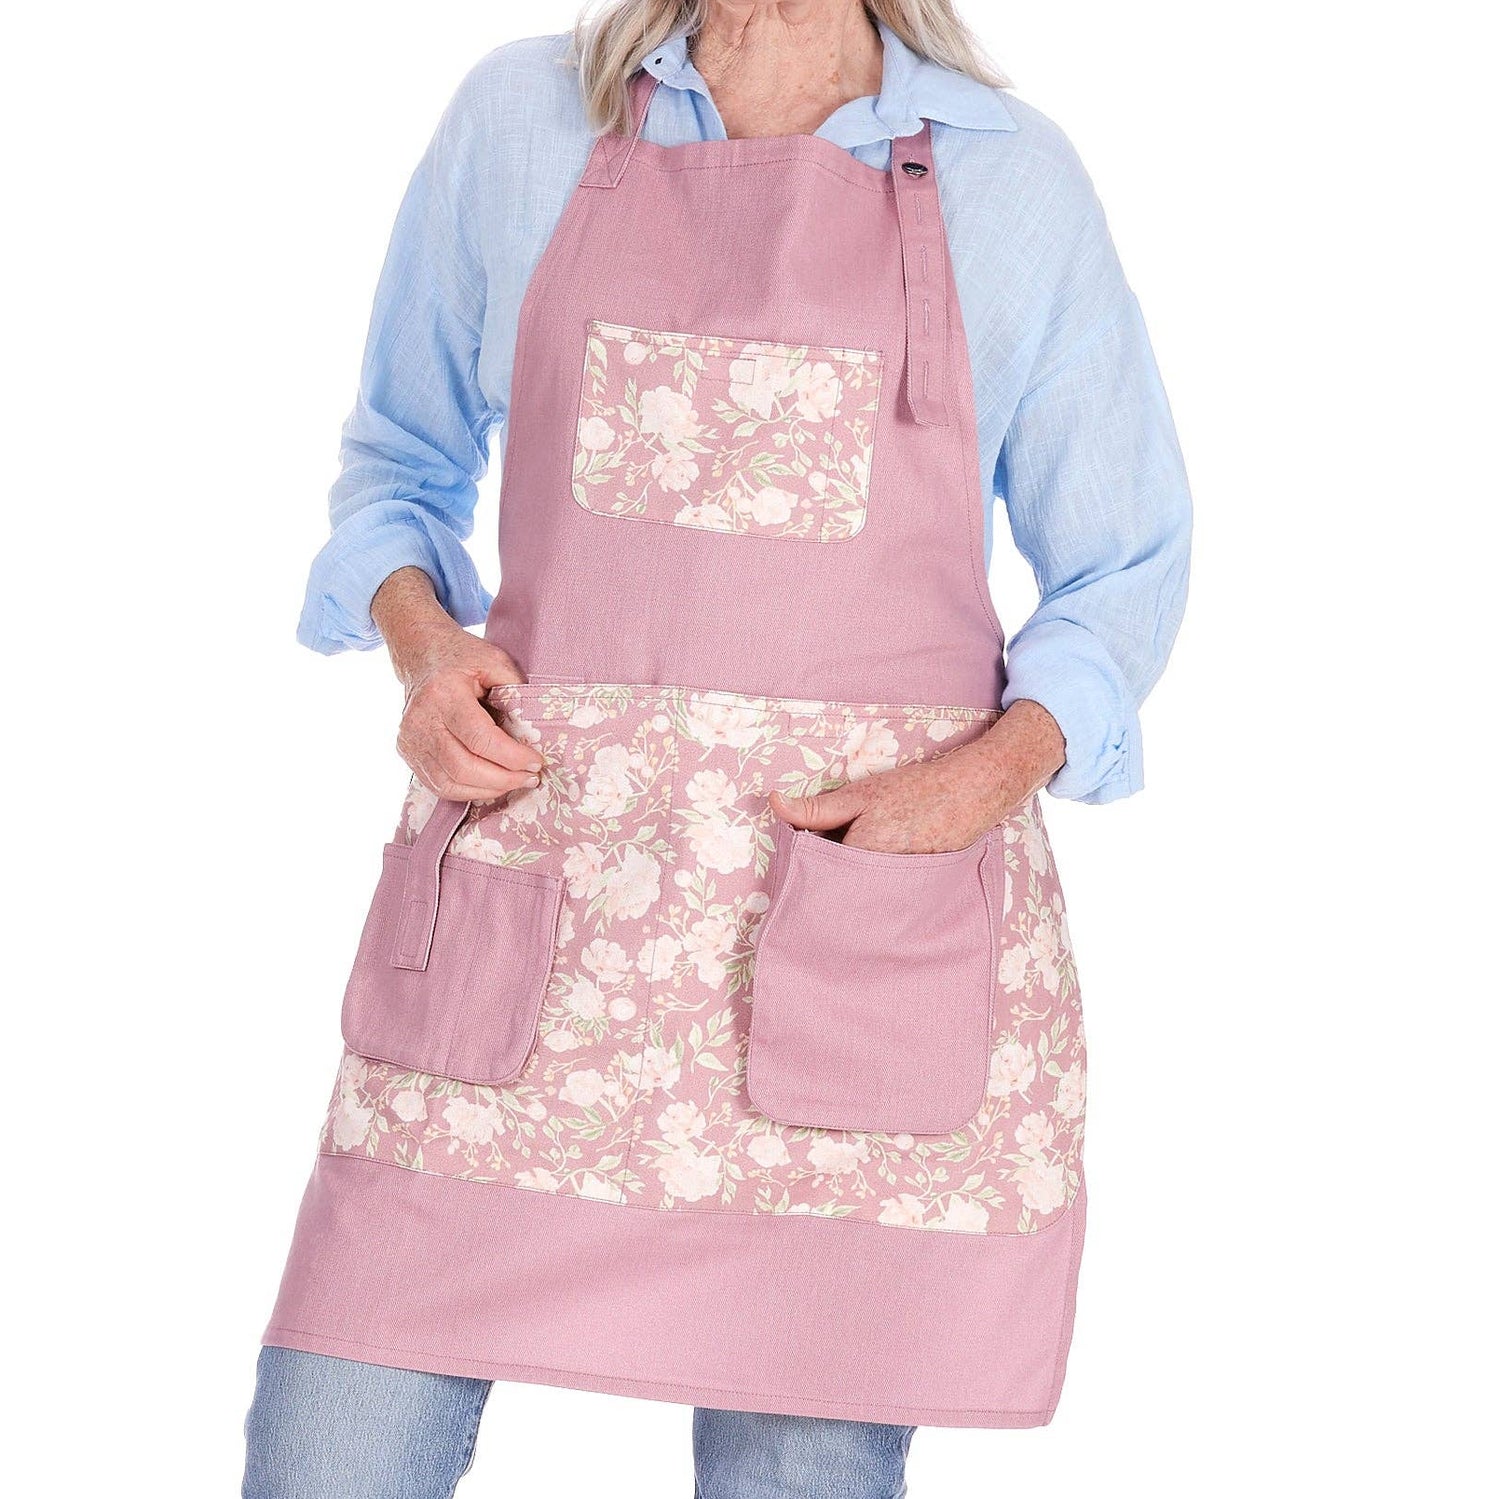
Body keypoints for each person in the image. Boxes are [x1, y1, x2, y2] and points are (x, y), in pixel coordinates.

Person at [244, 2, 1192, 1493]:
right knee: (331, 1457)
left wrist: (985, 776)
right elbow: (398, 468)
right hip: (544, 931)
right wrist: (427, 651)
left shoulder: (1010, 177)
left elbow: (1126, 564)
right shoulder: (522, 119)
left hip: (843, 932)